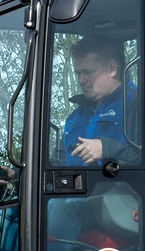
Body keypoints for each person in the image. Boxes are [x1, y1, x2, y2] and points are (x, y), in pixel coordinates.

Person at [56, 38, 139, 168]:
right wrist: (18, 175)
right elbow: (59, 161)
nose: (81, 80)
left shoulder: (137, 104)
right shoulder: (75, 116)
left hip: (120, 186)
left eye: (88, 72)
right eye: (78, 73)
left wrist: (104, 148)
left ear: (112, 68)